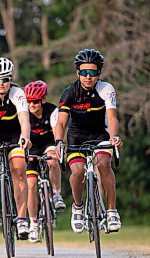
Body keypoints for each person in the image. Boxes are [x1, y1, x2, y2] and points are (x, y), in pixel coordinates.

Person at [54, 48, 122, 234]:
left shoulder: (106, 89)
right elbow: (61, 122)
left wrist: (114, 136)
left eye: (92, 72)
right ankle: (77, 207)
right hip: (76, 137)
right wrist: (59, 141)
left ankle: (111, 211)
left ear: (98, 73)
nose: (88, 77)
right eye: (84, 72)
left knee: (104, 164)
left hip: (100, 135)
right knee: (77, 171)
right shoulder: (69, 93)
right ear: (78, 72)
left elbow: (113, 118)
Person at [0, 57, 31, 240]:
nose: (1, 83)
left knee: (19, 169)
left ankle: (21, 219)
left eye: (5, 79)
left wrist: (26, 137)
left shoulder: (17, 93)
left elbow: (24, 119)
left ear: (10, 79)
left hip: (14, 133)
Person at [23, 80, 65, 243]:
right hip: (31, 148)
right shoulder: (24, 113)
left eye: (35, 101)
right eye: (29, 101)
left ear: (43, 100)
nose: (32, 104)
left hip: (48, 145)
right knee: (31, 184)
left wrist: (57, 148)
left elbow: (57, 132)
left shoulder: (52, 111)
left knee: (53, 160)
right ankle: (33, 223)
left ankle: (56, 194)